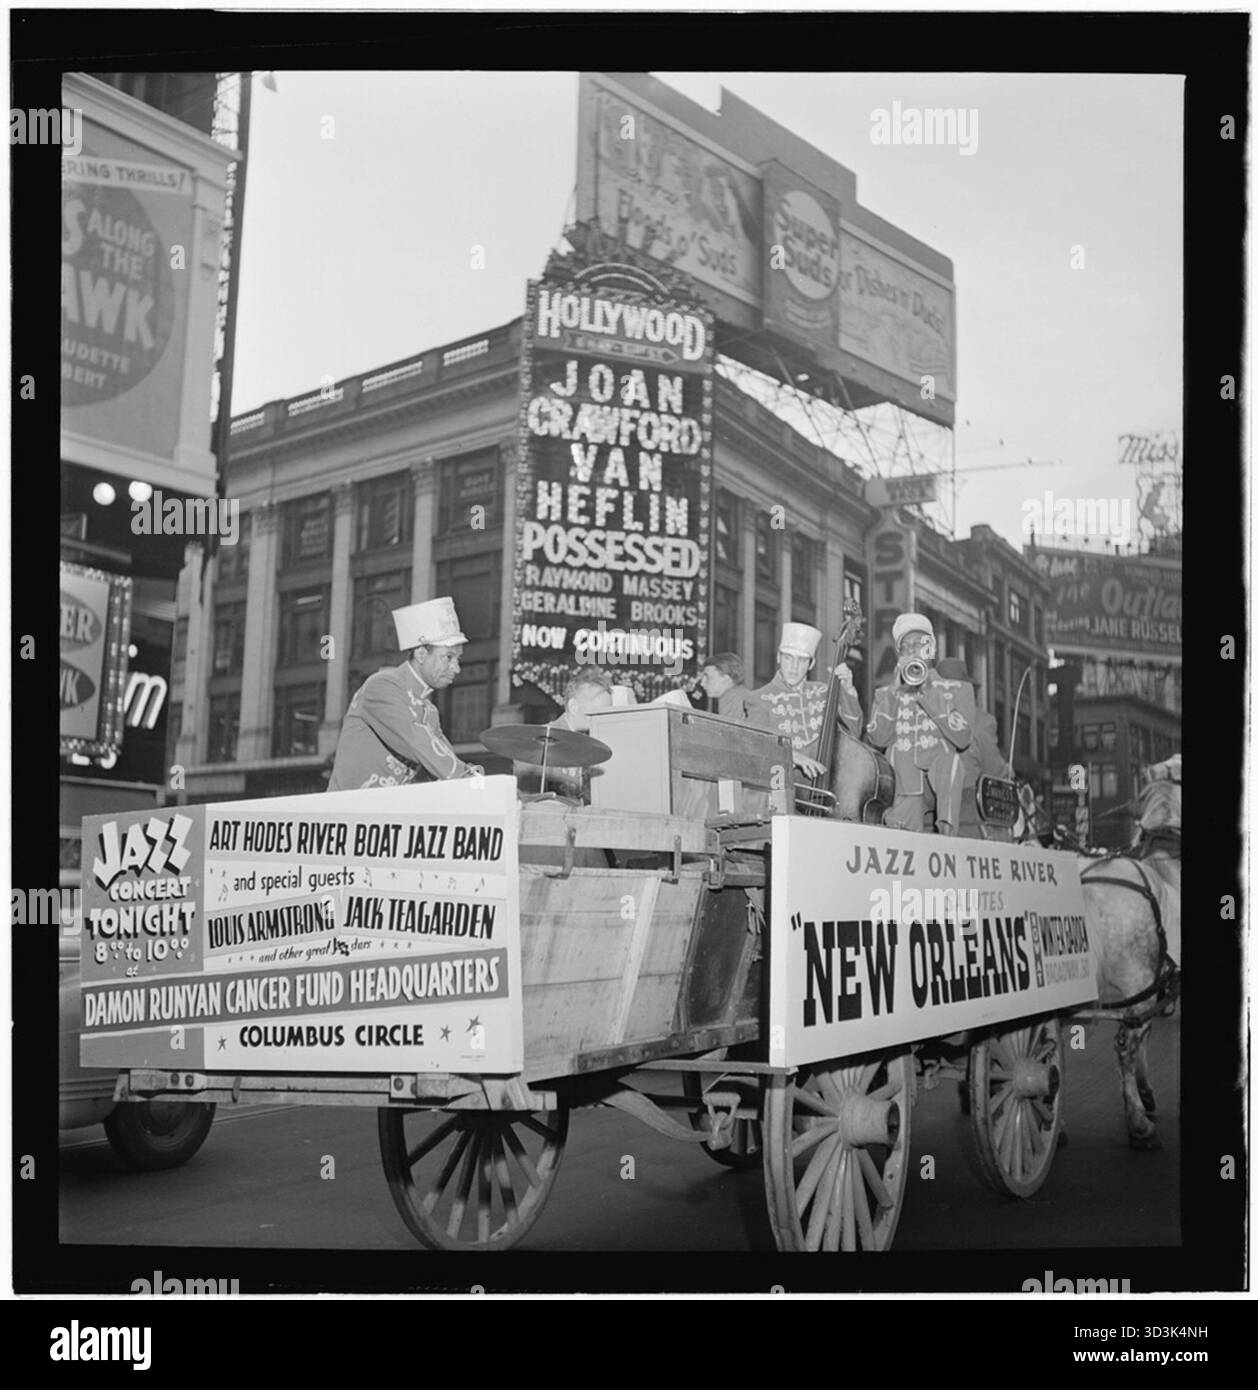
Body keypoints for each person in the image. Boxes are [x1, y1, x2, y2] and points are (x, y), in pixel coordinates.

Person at [327, 597, 483, 791]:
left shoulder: (430, 712)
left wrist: (480, 783)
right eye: (449, 657)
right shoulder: (382, 685)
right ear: (421, 654)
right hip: (345, 812)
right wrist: (473, 782)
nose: (456, 668)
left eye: (458, 659)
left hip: (385, 813)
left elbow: (446, 758)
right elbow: (418, 740)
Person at [865, 614, 973, 834]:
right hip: (905, 787)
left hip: (942, 783)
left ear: (930, 647)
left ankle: (947, 838)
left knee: (950, 762)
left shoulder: (955, 689)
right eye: (905, 647)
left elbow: (963, 738)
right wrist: (895, 691)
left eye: (918, 644)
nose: (912, 650)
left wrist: (929, 692)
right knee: (904, 840)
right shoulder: (885, 694)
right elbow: (877, 738)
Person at [745, 622, 862, 780]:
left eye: (801, 660)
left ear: (811, 664)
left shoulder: (825, 692)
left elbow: (853, 733)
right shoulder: (758, 699)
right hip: (781, 787)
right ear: (779, 658)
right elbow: (755, 743)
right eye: (788, 658)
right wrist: (793, 756)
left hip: (827, 785)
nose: (794, 667)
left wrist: (848, 690)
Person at [513, 666, 613, 801]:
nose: (605, 719)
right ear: (573, 706)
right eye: (600, 712)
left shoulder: (596, 744)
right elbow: (529, 802)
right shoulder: (537, 742)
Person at [935, 656, 1005, 839]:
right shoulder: (981, 722)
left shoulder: (925, 717)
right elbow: (994, 772)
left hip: (928, 818)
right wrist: (1007, 772)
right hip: (967, 819)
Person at [698, 651, 751, 719]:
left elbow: (725, 729)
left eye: (707, 677)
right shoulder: (741, 694)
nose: (702, 683)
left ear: (726, 678)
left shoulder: (730, 697)